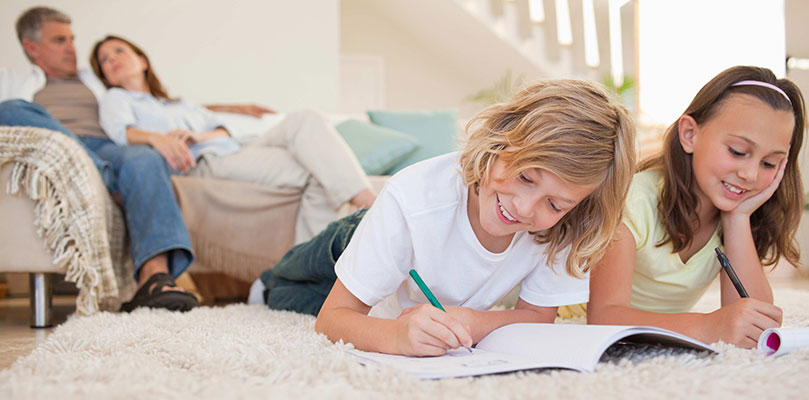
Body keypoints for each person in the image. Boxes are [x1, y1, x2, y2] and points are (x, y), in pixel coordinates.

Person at [254, 79, 637, 356]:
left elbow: (537, 315)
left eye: (554, 204)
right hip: (348, 241)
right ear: (499, 142)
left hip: (409, 290)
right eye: (524, 177)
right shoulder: (413, 198)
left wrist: (473, 321)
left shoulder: (564, 226)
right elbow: (332, 320)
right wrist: (396, 338)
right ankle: (266, 282)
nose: (524, 208)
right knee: (286, 292)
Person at [0, 6, 218, 311]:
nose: (72, 48)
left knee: (144, 158)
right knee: (9, 108)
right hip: (61, 148)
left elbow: (156, 102)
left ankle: (154, 279)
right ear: (32, 48)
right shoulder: (14, 81)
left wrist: (233, 110)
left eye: (72, 39)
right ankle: (102, 173)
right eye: (60, 40)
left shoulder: (97, 79)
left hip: (109, 149)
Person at [586, 66, 805, 349]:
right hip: (568, 315)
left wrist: (737, 219)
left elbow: (757, 325)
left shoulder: (739, 213)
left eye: (769, 164)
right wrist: (708, 325)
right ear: (689, 134)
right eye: (737, 151)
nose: (750, 174)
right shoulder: (631, 202)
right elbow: (603, 317)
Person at [89, 35, 376, 243]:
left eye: (118, 51)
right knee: (315, 172)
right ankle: (364, 215)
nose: (111, 59)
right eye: (104, 59)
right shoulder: (116, 99)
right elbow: (121, 132)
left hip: (233, 145)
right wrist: (158, 139)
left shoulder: (178, 104)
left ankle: (363, 200)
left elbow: (221, 128)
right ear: (104, 76)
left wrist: (199, 134)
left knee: (306, 118)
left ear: (141, 61)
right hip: (208, 160)